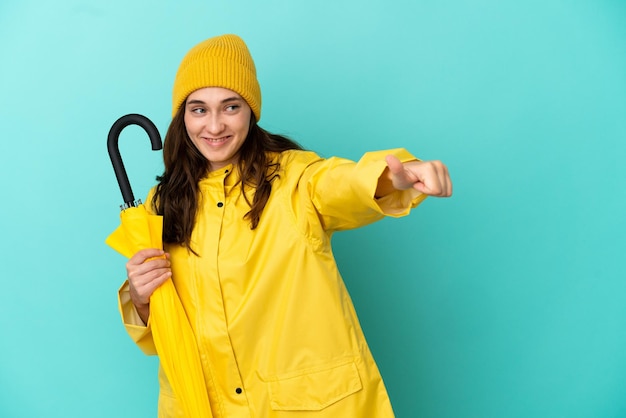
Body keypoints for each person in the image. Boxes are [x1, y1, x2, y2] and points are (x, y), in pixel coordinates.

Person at [118, 34, 452, 418]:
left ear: (250, 111)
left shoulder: (294, 179)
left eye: (230, 106)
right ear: (182, 116)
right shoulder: (162, 204)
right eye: (198, 109)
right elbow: (165, 330)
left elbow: (340, 184)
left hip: (306, 406)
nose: (214, 125)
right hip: (202, 405)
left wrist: (396, 177)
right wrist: (141, 300)